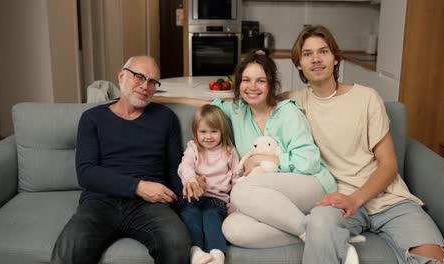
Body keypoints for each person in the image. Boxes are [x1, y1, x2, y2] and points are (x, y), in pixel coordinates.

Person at [279, 25, 444, 264]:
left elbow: (389, 164)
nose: (316, 59)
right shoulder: (293, 102)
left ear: (336, 58)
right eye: (307, 54)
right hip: (338, 202)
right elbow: (246, 100)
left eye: (324, 51)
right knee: (319, 222)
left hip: (390, 200)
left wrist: (357, 198)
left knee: (436, 259)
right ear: (298, 64)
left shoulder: (366, 97)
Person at [153, 49, 339, 254]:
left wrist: (264, 159)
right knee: (232, 229)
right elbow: (206, 106)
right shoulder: (237, 111)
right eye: (246, 80)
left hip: (310, 185)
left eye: (260, 80)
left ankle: (313, 232)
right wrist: (158, 99)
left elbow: (309, 161)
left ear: (271, 84)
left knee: (241, 190)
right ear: (238, 83)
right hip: (267, 198)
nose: (252, 87)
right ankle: (315, 233)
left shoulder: (288, 112)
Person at [51, 56, 193, 264]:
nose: (145, 86)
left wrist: (189, 201)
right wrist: (138, 186)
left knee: (177, 244)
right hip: (100, 201)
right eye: (139, 77)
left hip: (150, 205)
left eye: (152, 81)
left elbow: (175, 171)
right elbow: (86, 173)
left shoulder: (165, 118)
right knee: (68, 253)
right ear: (121, 76)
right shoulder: (93, 118)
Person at [178, 104, 240, 264]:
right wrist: (191, 179)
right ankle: (195, 251)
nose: (208, 136)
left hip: (217, 200)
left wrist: (233, 207)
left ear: (222, 132)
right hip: (193, 197)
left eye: (214, 131)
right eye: (203, 132)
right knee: (190, 216)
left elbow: (236, 179)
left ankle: (217, 254)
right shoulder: (193, 148)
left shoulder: (229, 151)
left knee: (211, 217)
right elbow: (185, 166)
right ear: (195, 132)